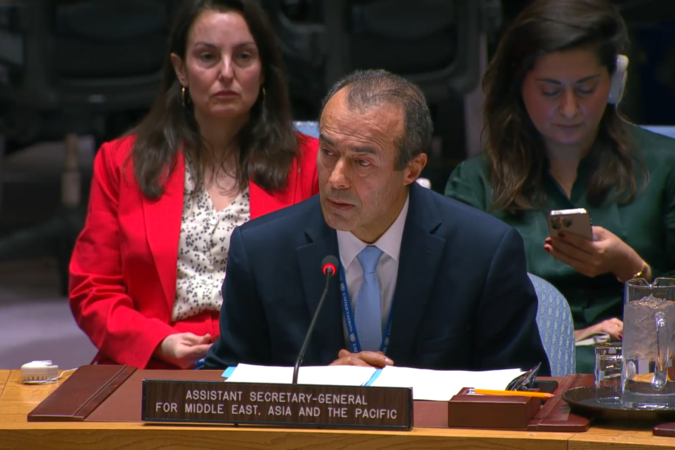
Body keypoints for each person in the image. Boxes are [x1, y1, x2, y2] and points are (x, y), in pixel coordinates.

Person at [205, 69, 549, 373]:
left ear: (411, 169)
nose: (336, 179)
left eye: (362, 162)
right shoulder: (260, 252)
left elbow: (524, 387)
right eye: (328, 153)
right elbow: (224, 384)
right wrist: (316, 388)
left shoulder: (484, 252)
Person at [69, 0, 319, 370]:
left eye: (244, 56)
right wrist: (157, 340)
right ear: (181, 70)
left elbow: (332, 287)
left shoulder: (311, 164)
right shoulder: (121, 162)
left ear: (264, 69)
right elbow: (93, 288)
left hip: (269, 367)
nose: (227, 73)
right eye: (208, 57)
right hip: (154, 361)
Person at [445, 0, 675, 372]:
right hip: (523, 379)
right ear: (518, 85)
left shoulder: (666, 166)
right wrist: (573, 336)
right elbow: (457, 315)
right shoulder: (475, 183)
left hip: (641, 376)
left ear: (615, 82)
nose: (569, 109)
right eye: (550, 91)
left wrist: (634, 270)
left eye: (586, 88)